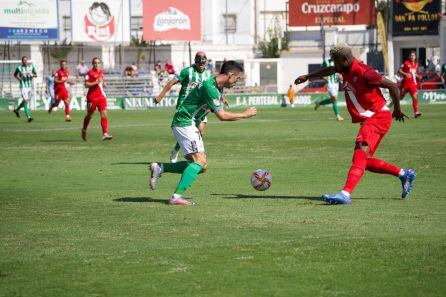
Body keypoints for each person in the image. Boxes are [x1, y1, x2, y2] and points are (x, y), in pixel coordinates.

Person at [294, 44, 416, 205]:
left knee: (360, 152)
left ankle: (345, 194)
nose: (335, 66)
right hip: (371, 117)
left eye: (336, 62)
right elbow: (330, 70)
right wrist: (307, 76)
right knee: (362, 159)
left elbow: (393, 86)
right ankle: (403, 174)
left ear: (344, 59)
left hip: (378, 116)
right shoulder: (343, 67)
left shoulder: (366, 73)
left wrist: (397, 109)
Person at [150, 61, 257, 206]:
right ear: (230, 75)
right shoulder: (210, 87)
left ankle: (161, 168)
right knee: (199, 162)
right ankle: (176, 196)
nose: (237, 82)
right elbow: (222, 116)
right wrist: (245, 114)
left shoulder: (215, 86)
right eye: (237, 78)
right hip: (185, 122)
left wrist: (221, 99)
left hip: (187, 123)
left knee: (201, 166)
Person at [156, 51, 228, 163]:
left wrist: (221, 97)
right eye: (199, 63)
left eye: (203, 63)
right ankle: (184, 152)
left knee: (201, 132)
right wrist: (161, 95)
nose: (201, 65)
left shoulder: (208, 74)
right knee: (188, 130)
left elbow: (212, 88)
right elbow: (171, 82)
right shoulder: (187, 72)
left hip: (201, 106)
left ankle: (190, 151)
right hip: (185, 106)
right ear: (195, 61)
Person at [81, 57, 113, 141]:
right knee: (89, 115)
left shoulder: (101, 72)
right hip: (92, 98)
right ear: (92, 64)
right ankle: (84, 129)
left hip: (101, 97)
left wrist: (103, 83)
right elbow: (86, 84)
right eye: (95, 63)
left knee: (104, 114)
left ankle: (105, 134)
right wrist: (96, 82)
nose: (97, 64)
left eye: (98, 63)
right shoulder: (89, 73)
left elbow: (101, 82)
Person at [13, 56, 36, 122]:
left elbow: (36, 75)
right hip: (23, 87)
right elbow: (15, 74)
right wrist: (19, 79)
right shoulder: (19, 68)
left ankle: (17, 110)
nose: (25, 61)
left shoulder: (31, 67)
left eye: (26, 60)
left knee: (26, 101)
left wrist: (32, 75)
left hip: (30, 87)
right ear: (22, 61)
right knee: (26, 101)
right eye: (24, 60)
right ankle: (28, 117)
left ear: (27, 61)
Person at [398, 51, 422, 118]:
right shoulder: (405, 63)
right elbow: (399, 70)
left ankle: (416, 112)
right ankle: (397, 109)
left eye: (413, 55)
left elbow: (413, 73)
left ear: (415, 57)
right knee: (400, 97)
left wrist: (417, 76)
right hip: (405, 84)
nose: (412, 57)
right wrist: (405, 74)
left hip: (413, 84)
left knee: (415, 97)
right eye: (411, 55)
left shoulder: (416, 64)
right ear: (409, 57)